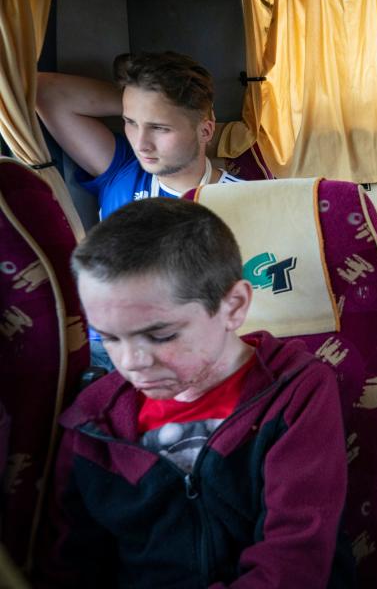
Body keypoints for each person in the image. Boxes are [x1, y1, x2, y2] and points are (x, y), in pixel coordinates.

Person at [35, 198, 352, 588]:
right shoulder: (93, 424)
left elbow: (294, 557)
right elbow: (71, 563)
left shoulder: (295, 394)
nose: (132, 361)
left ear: (233, 307)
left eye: (161, 335)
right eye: (110, 338)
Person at [36, 51, 241, 370]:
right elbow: (44, 91)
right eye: (131, 123)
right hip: (103, 351)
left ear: (205, 130)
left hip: (187, 355)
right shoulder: (121, 168)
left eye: (159, 128)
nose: (141, 143)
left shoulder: (241, 199)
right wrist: (141, 101)